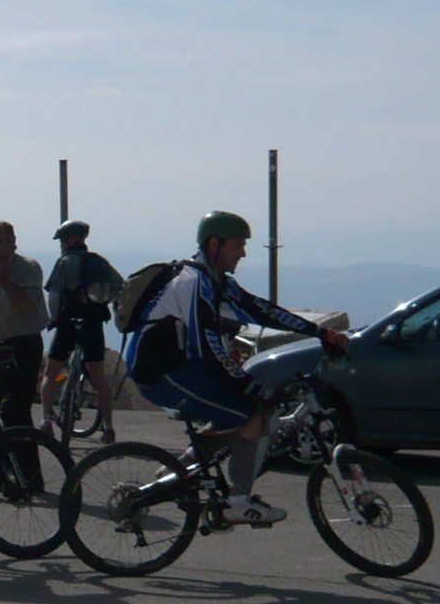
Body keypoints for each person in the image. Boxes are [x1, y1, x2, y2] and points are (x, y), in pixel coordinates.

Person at [120, 210, 348, 529]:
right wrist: (247, 384)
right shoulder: (193, 283)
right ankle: (238, 502)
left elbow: (262, 311)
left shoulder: (215, 281)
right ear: (214, 244)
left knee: (244, 408)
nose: (243, 253)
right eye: (238, 245)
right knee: (251, 415)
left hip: (183, 368)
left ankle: (179, 469)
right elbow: (207, 346)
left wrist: (319, 332)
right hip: (162, 376)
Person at [0, 220, 48, 481]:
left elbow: (27, 307)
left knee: (11, 411)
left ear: (12, 242)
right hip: (0, 349)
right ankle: (26, 476)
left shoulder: (28, 268)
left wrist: (3, 278)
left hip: (24, 346)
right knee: (15, 417)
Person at [44, 219, 125, 444]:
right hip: (93, 324)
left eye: (62, 241)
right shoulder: (100, 262)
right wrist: (102, 301)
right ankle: (108, 427)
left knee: (51, 372)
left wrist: (54, 319)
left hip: (68, 324)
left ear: (69, 241)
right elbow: (120, 286)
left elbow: (54, 296)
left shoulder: (64, 263)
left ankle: (46, 422)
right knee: (98, 376)